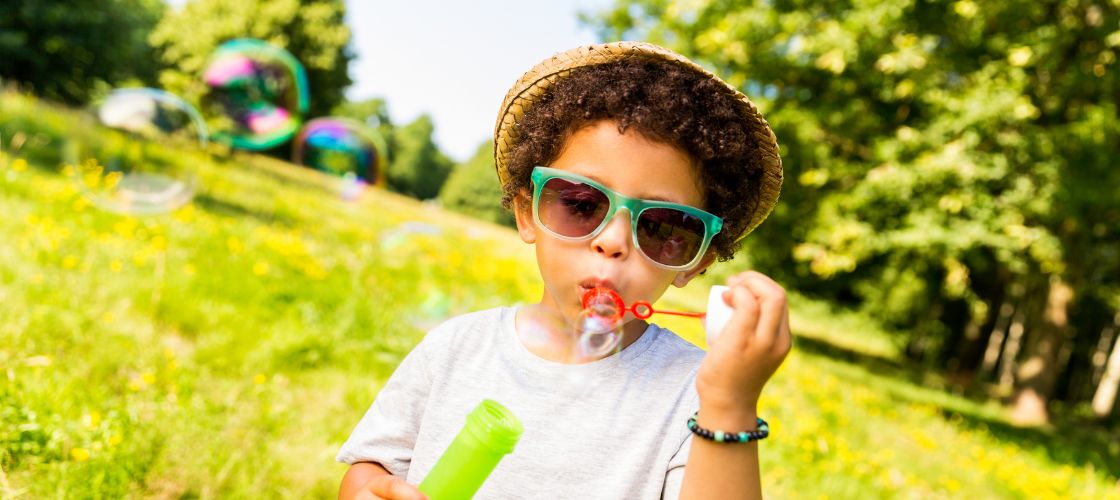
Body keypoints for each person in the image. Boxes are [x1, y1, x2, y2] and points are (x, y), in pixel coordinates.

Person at [337, 41, 790, 500]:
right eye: (581, 203)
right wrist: (369, 490)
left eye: (660, 226)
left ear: (696, 262)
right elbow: (371, 467)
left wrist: (730, 404)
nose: (613, 241)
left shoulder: (698, 394)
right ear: (527, 212)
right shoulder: (455, 349)